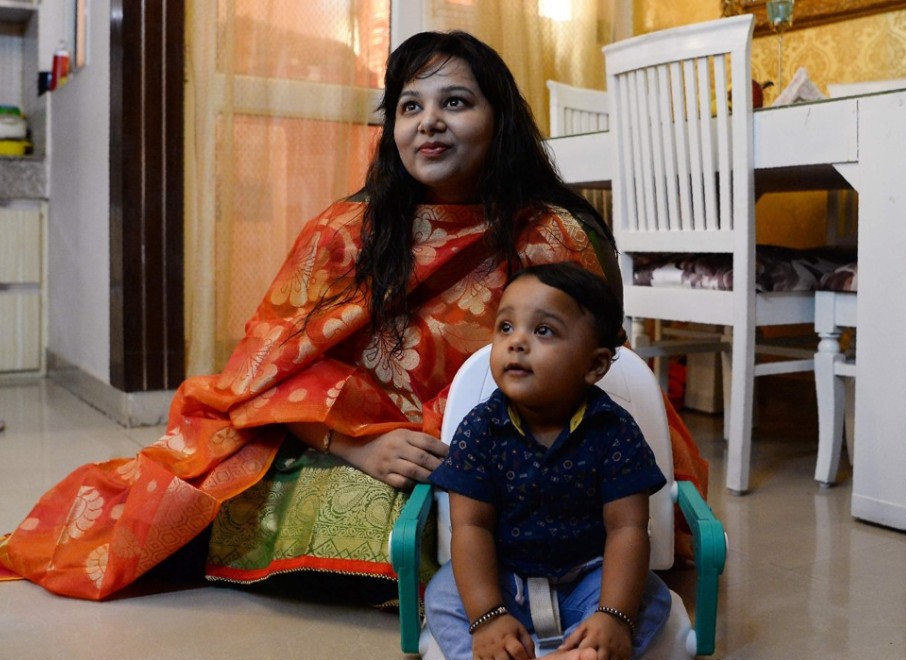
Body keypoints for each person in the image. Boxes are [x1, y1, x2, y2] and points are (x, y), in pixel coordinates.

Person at [0, 31, 706, 602]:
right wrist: (357, 447)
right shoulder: (345, 232)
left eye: (456, 102)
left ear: (501, 120)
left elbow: (599, 374)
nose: (429, 121)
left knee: (549, 508)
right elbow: (265, 372)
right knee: (224, 491)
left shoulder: (552, 232)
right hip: (352, 437)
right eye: (409, 106)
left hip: (520, 441)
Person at [424, 263, 671, 660]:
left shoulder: (613, 431)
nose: (517, 342)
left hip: (588, 576)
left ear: (594, 365)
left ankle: (578, 658)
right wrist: (487, 616)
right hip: (504, 577)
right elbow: (470, 527)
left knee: (650, 597)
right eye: (505, 327)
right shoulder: (480, 430)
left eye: (544, 331)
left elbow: (627, 529)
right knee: (442, 597)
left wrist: (613, 614)